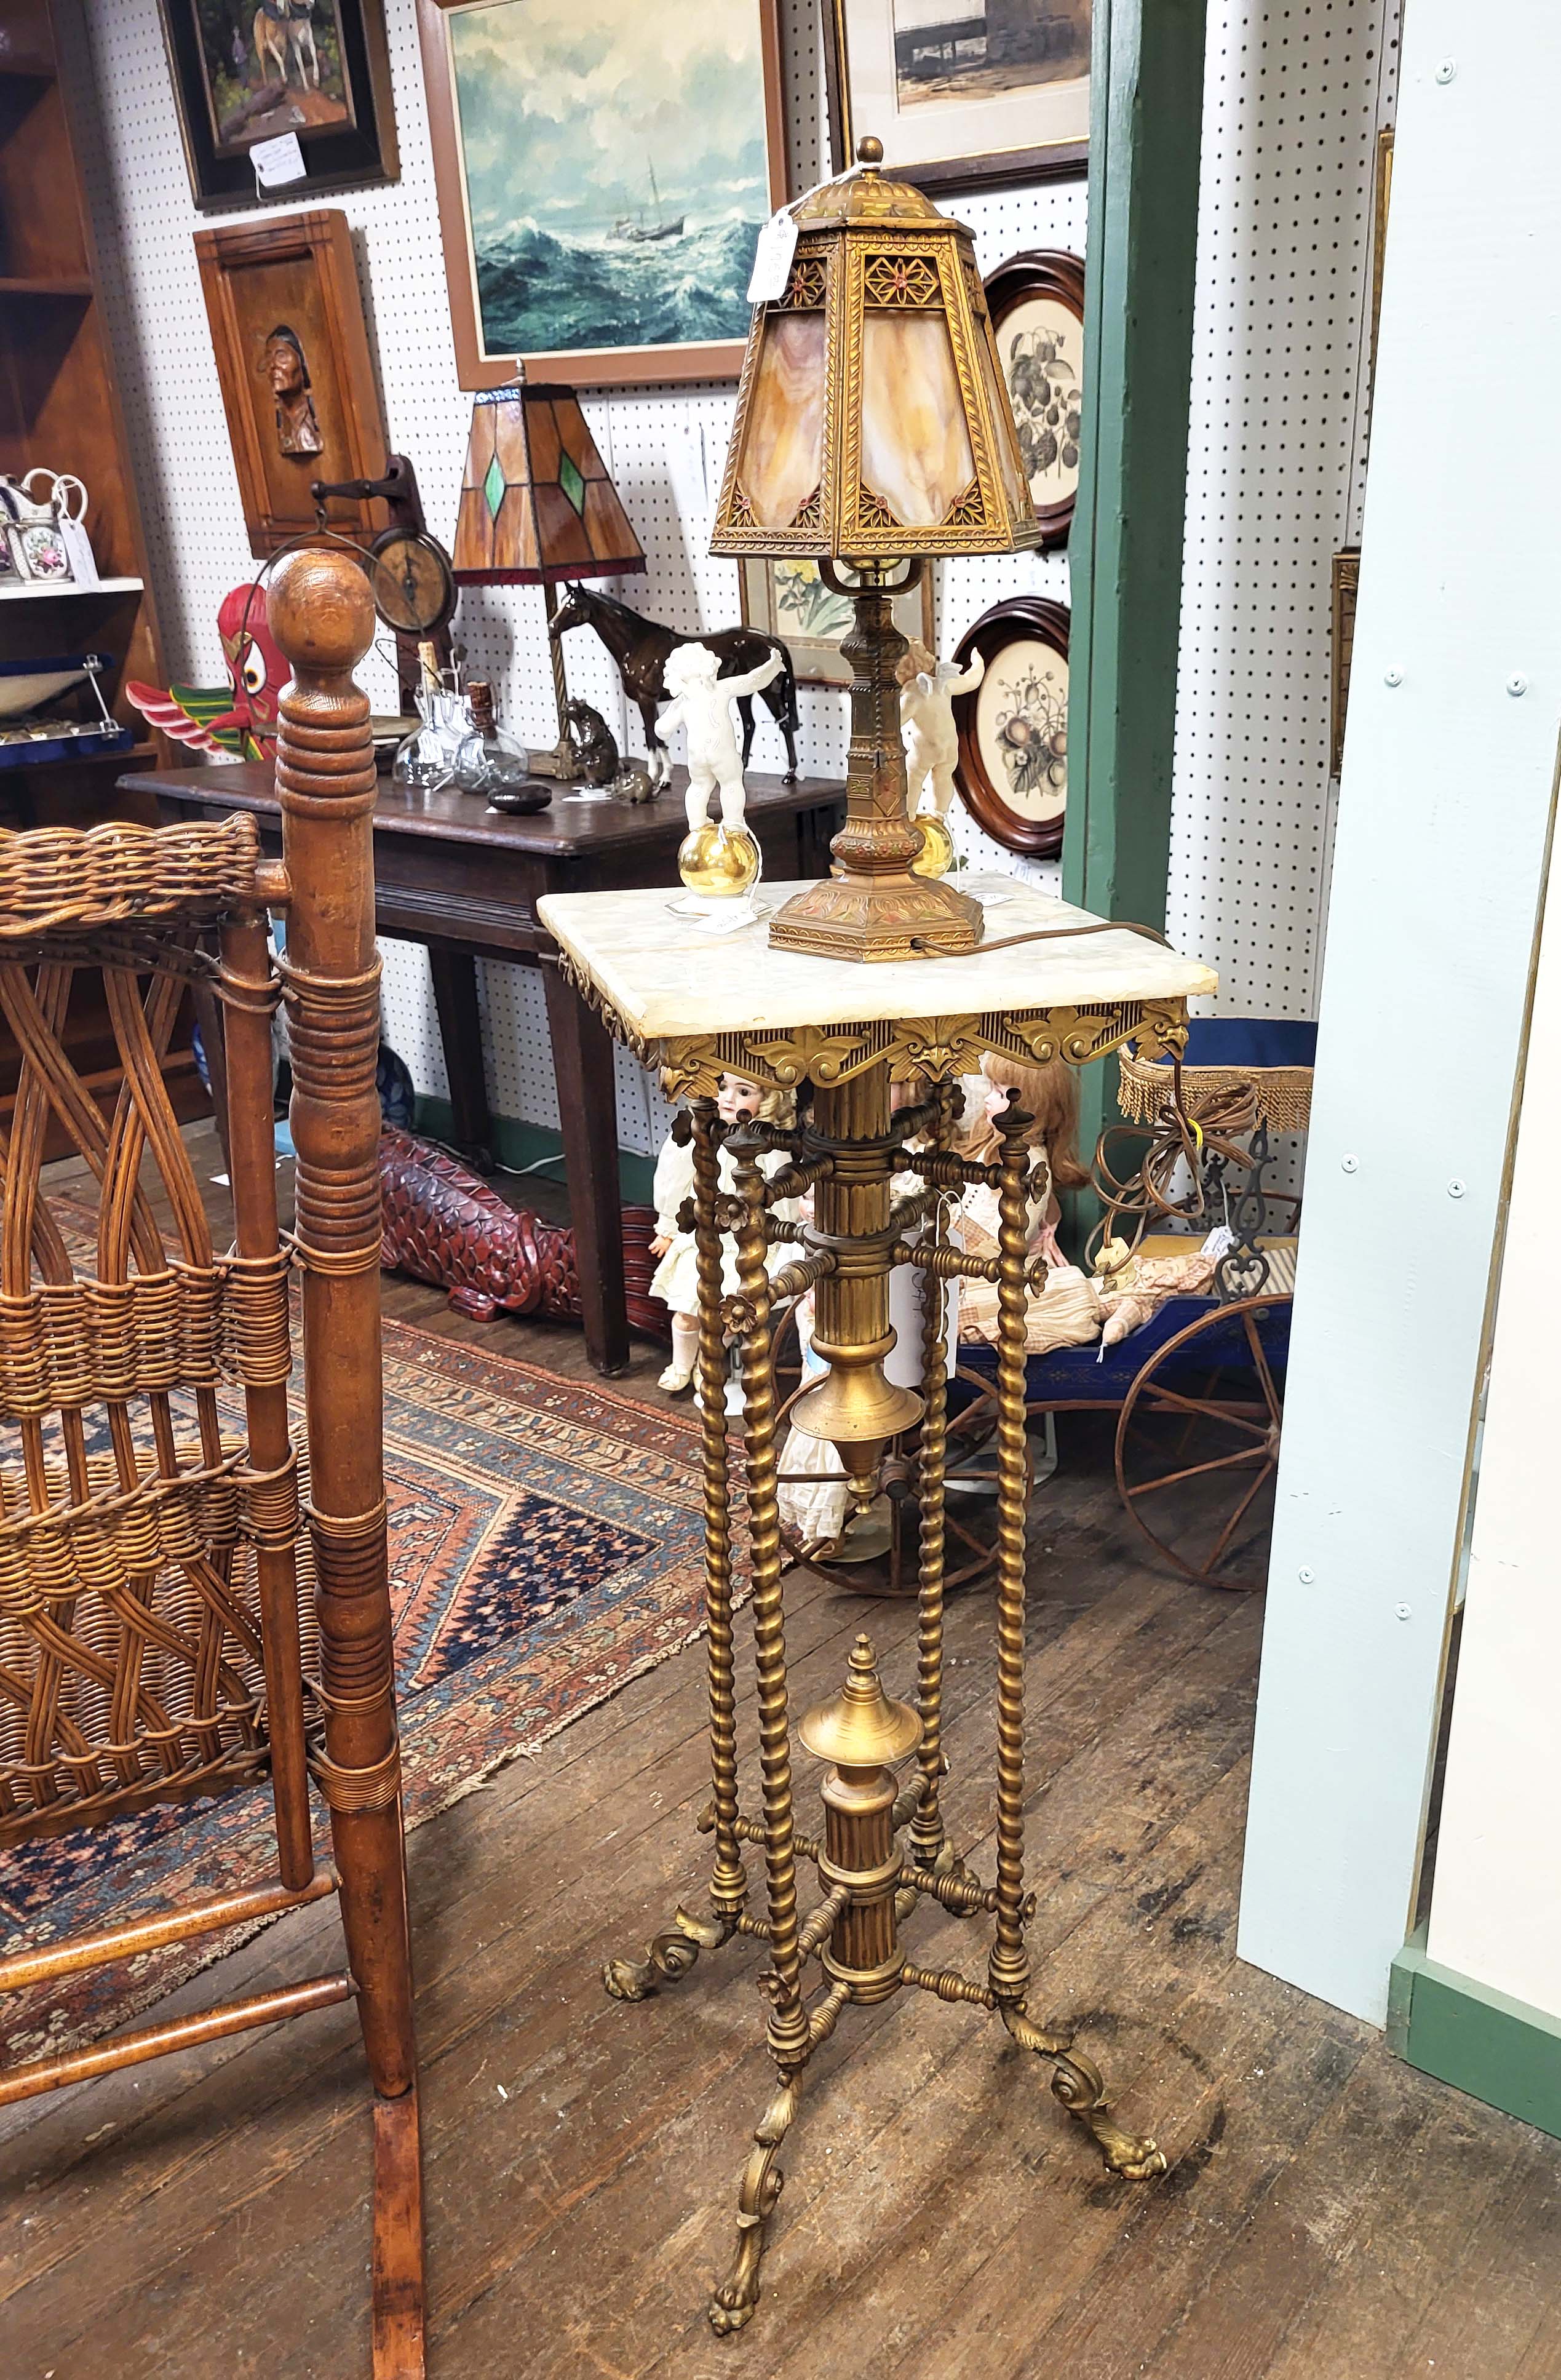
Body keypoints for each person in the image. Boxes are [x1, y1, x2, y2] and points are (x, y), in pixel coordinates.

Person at [649, 1072, 801, 1395]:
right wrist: (668, 1227)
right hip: (703, 1239)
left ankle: (710, 1366)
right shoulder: (701, 1135)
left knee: (729, 1317)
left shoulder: (771, 1148)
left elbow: (784, 1198)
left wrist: (785, 1238)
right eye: (721, 1088)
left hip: (745, 1245)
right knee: (686, 1312)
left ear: (767, 1099)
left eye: (743, 1091)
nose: (728, 1098)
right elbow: (674, 1178)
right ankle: (680, 1363)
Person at [659, 641, 784, 839]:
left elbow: (662, 730)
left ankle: (697, 824)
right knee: (732, 783)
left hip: (696, 755)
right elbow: (752, 681)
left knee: (699, 785)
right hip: (722, 752)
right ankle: (733, 824)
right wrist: (773, 666)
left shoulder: (683, 702)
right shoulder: (721, 688)